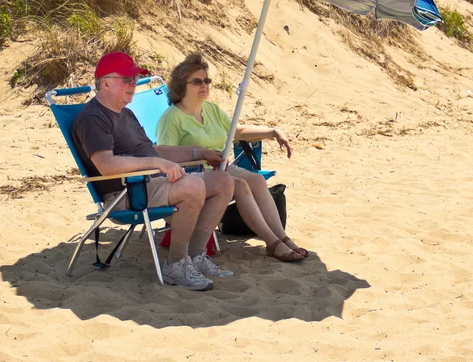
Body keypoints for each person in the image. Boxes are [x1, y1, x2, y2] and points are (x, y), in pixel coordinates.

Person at [71, 51, 235, 291]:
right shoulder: (93, 118)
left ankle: (195, 256)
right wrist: (156, 164)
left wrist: (198, 152)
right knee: (192, 186)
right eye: (126, 79)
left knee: (223, 181)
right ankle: (176, 265)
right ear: (105, 83)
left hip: (151, 184)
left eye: (134, 79)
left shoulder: (125, 114)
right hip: (127, 194)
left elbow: (153, 150)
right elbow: (106, 165)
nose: (133, 84)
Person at [156, 53, 309, 262]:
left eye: (207, 80)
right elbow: (166, 155)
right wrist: (199, 155)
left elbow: (237, 132)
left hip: (221, 167)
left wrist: (272, 132)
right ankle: (272, 242)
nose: (204, 85)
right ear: (182, 86)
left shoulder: (210, 109)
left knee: (255, 180)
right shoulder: (171, 119)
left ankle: (283, 238)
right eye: (197, 82)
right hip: (196, 174)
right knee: (240, 185)